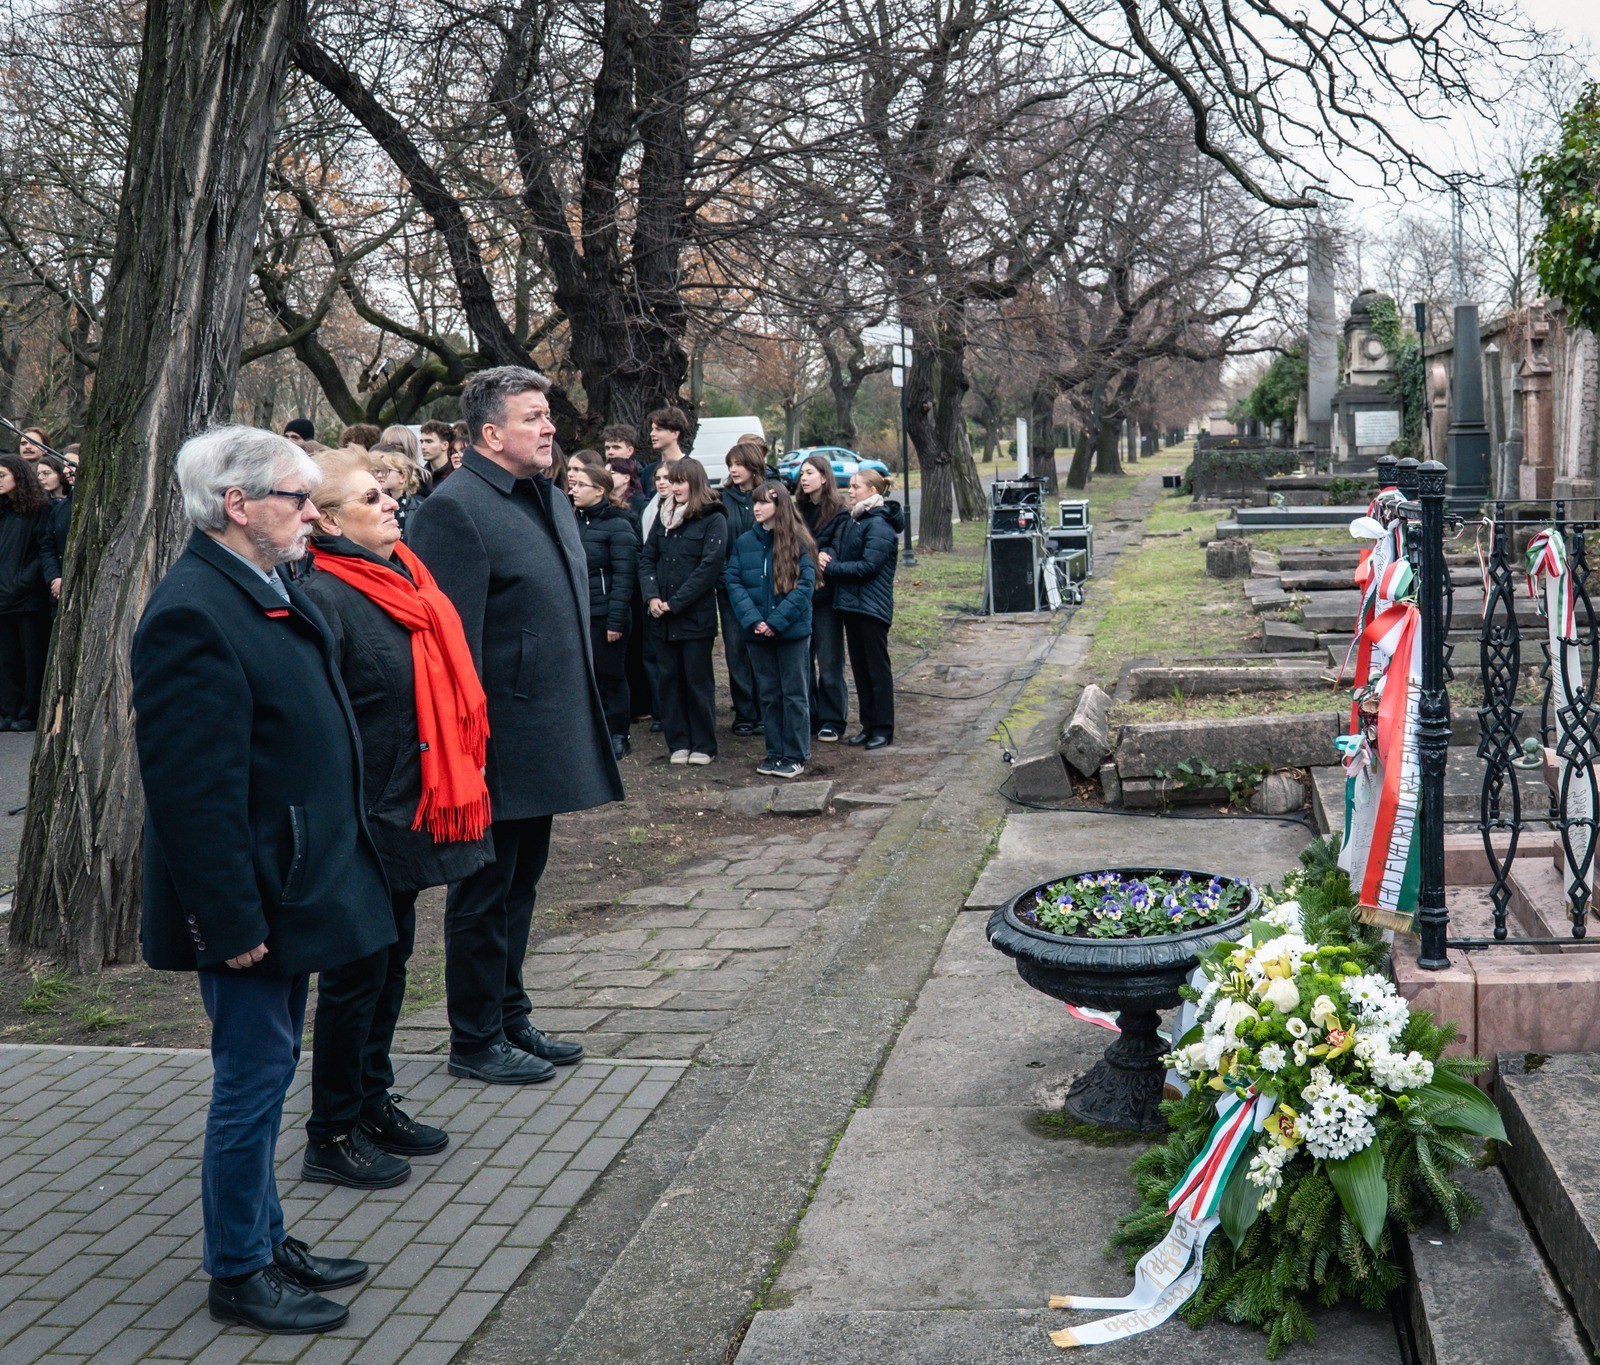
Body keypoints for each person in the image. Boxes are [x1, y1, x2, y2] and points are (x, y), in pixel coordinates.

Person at [130, 425, 393, 1335]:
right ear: (237, 505)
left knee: (271, 1068)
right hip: (252, 898)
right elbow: (192, 796)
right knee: (251, 1079)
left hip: (295, 880)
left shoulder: (267, 582)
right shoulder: (193, 612)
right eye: (298, 498)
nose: (314, 513)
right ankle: (238, 1268)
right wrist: (227, 918)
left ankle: (266, 1236)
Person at [408, 366, 622, 1084]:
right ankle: (473, 1038)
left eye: (549, 416)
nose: (550, 427)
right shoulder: (455, 508)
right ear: (490, 433)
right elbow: (449, 645)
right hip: (492, 744)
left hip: (544, 731)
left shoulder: (546, 496)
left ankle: (509, 1013)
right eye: (534, 417)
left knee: (521, 884)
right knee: (482, 890)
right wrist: (463, 754)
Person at [300, 448, 493, 1188]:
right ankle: (332, 1131)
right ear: (328, 519)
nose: (389, 502)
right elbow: (326, 721)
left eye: (388, 492)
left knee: (392, 966)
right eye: (371, 497)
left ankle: (373, 1100)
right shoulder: (327, 594)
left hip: (409, 809)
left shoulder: (406, 576)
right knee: (355, 977)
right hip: (362, 820)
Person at [725, 481, 816, 779]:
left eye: (764, 502)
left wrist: (776, 621)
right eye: (755, 502)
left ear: (779, 506)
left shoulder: (799, 542)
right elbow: (734, 582)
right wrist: (755, 621)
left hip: (791, 633)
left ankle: (795, 754)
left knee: (793, 694)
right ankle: (774, 752)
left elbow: (804, 587)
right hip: (756, 633)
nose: (757, 507)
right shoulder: (744, 543)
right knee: (768, 694)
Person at [638, 457, 726, 764]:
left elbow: (708, 568)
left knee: (696, 682)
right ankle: (678, 743)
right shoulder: (664, 518)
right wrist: (652, 597)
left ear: (695, 483)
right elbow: (647, 559)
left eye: (680, 481)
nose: (674, 487)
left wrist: (676, 603)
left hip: (694, 618)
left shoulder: (713, 519)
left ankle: (703, 744)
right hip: (661, 618)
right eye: (671, 481)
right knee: (669, 681)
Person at [820, 468, 902, 750]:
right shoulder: (856, 520)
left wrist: (832, 567)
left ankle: (883, 728)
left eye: (856, 487)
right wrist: (828, 554)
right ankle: (868, 726)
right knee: (861, 670)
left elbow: (869, 567)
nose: (850, 491)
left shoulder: (879, 524)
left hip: (872, 607)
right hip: (852, 605)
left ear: (873, 492)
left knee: (877, 671)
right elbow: (841, 550)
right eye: (850, 487)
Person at [568, 462, 639, 758]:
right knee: (588, 677)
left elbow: (624, 579)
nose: (573, 489)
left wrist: (616, 620)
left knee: (611, 675)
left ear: (599, 491)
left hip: (607, 615)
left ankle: (619, 734)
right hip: (580, 614)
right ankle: (595, 733)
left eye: (581, 485)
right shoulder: (572, 521)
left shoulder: (619, 525)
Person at [0, 454, 61, 728]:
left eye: (2, 475)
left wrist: (23, 581)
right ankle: (8, 711)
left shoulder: (40, 509)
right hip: (4, 597)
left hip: (28, 599)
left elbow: (42, 551)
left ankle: (28, 712)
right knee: (7, 659)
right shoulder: (3, 512)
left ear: (18, 476)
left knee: (31, 658)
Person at [795, 455, 849, 742]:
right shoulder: (797, 511)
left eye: (810, 473)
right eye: (802, 473)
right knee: (802, 660)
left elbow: (836, 552)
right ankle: (811, 716)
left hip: (826, 596)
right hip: (800, 594)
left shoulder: (839, 512)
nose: (804, 478)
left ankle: (833, 719)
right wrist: (815, 556)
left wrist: (818, 556)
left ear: (824, 478)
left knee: (829, 662)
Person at [717, 442, 766, 737]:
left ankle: (764, 710)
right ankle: (744, 712)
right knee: (736, 648)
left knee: (761, 647)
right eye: (730, 464)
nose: (734, 470)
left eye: (739, 464)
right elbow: (718, 546)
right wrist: (727, 580)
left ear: (754, 466)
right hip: (730, 587)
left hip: (763, 586)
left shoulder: (769, 495)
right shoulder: (722, 500)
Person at [370, 442, 421, 538]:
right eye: (377, 471)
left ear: (403, 476)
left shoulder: (419, 510)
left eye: (387, 470)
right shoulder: (369, 506)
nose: (379, 475)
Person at [37, 452, 72, 577]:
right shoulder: (39, 507)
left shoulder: (72, 505)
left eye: (46, 473)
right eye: (38, 474)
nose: (40, 478)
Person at [644, 405, 688, 483]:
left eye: (658, 429)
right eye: (652, 429)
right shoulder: (648, 472)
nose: (652, 434)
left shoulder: (692, 470)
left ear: (675, 434)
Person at [419, 419, 455, 489]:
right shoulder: (419, 477)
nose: (423, 447)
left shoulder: (455, 476)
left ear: (444, 445)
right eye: (422, 442)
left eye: (429, 441)